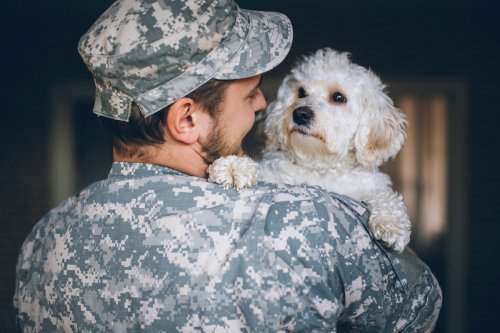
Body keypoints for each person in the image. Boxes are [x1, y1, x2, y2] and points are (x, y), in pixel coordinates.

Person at [14, 0, 442, 332]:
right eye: (251, 91)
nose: (263, 104)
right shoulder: (315, 221)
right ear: (187, 120)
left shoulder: (40, 242)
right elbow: (422, 311)